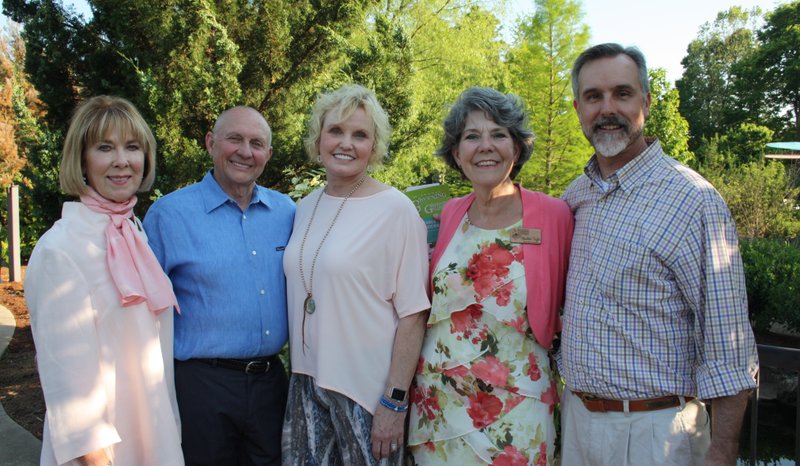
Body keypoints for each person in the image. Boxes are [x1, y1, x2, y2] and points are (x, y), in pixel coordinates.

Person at [559, 43, 759, 466]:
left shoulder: (694, 201)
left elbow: (728, 345)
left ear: (646, 102)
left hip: (657, 434)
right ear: (578, 108)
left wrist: (722, 451)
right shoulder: (575, 198)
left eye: (622, 93)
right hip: (576, 423)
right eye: (594, 97)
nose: (607, 108)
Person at [407, 87, 574, 465]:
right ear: (456, 153)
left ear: (516, 149)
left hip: (520, 407)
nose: (486, 146)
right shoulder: (449, 214)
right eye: (472, 136)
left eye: (499, 134)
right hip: (439, 405)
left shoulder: (554, 216)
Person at [24, 95, 184, 466]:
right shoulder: (60, 249)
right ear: (82, 159)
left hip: (154, 440)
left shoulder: (133, 234)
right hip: (104, 456)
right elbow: (69, 387)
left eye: (132, 147)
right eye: (104, 147)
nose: (121, 161)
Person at [281, 84, 430, 465]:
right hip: (306, 381)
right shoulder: (306, 206)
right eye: (336, 131)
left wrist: (393, 402)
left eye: (359, 134)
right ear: (319, 138)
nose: (346, 143)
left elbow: (414, 313)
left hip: (366, 392)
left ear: (374, 145)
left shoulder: (396, 210)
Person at [143, 106, 295, 465]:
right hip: (201, 387)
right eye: (234, 139)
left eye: (257, 143)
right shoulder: (169, 215)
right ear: (211, 143)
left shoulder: (288, 213)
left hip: (271, 384)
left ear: (268, 155)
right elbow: (144, 313)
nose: (245, 151)